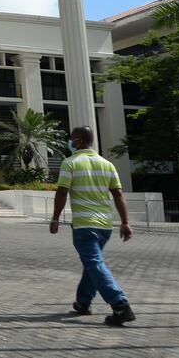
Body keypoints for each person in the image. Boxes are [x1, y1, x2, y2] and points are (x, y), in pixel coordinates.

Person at [49, 126, 136, 326]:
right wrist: (124, 222)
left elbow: (62, 192)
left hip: (84, 225)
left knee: (95, 263)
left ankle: (120, 305)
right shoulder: (107, 164)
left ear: (78, 141)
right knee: (92, 264)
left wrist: (55, 218)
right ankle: (83, 302)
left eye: (71, 139)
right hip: (104, 226)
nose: (69, 143)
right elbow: (118, 195)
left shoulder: (70, 163)